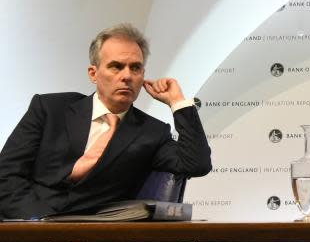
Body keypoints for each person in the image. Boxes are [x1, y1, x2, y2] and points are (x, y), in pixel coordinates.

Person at [0, 23, 212, 219]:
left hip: (93, 238)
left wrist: (178, 103)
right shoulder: (50, 109)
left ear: (143, 76)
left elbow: (197, 164)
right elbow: (7, 174)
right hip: (26, 226)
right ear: (93, 73)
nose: (127, 76)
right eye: (116, 67)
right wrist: (36, 222)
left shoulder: (151, 133)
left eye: (135, 68)